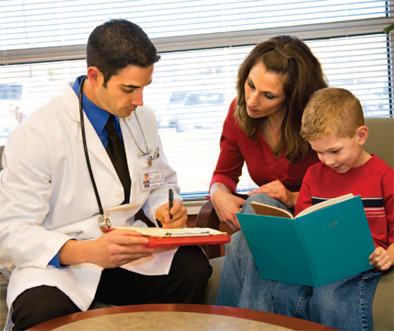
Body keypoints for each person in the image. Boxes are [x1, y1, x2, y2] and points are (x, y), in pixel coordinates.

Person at [0, 19, 212, 331]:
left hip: (127, 255)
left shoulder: (143, 119)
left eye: (144, 88)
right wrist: (86, 251)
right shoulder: (36, 134)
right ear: (95, 76)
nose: (140, 101)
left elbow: (159, 183)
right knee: (40, 312)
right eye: (129, 89)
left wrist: (164, 209)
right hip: (61, 264)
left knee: (192, 268)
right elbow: (11, 232)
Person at [221, 87, 394, 331]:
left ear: (361, 135)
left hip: (361, 265)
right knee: (281, 292)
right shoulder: (313, 174)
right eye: (319, 152)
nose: (328, 160)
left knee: (330, 299)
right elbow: (301, 225)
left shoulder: (385, 176)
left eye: (334, 151)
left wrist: (390, 254)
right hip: (317, 265)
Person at [211, 35, 327, 308]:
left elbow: (344, 193)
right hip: (268, 236)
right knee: (251, 223)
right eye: (250, 85)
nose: (251, 100)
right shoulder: (239, 111)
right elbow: (223, 175)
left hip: (313, 230)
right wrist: (218, 194)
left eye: (269, 95)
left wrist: (290, 197)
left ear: (293, 97)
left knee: (250, 223)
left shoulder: (319, 117)